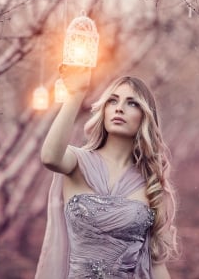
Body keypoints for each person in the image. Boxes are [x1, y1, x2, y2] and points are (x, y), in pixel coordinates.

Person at [35, 65, 178, 279]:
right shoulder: (78, 162)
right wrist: (76, 94)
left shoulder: (151, 183)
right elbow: (49, 157)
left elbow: (156, 265)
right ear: (104, 109)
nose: (119, 108)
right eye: (113, 100)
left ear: (145, 116)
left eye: (132, 103)